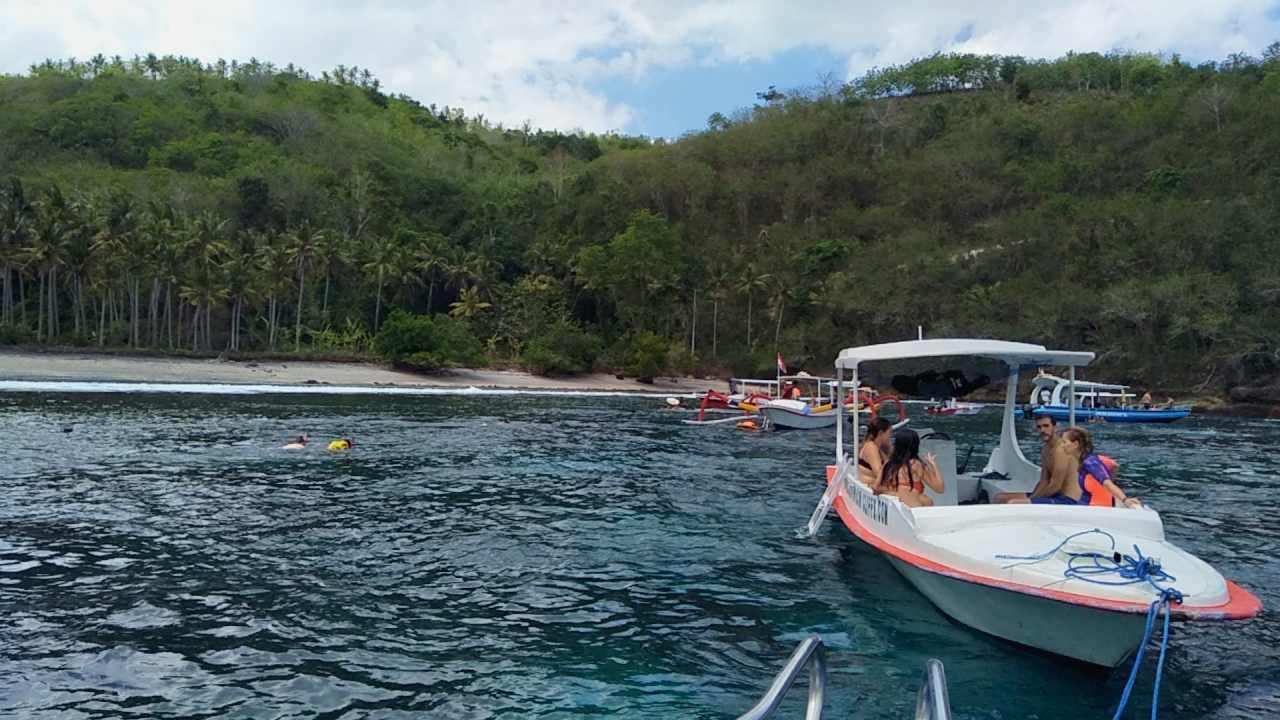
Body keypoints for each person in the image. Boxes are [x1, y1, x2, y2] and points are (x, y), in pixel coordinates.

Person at [995, 415, 1064, 503]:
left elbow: (1056, 486)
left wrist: (1031, 500)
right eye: (1039, 427)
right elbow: (1043, 481)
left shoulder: (1061, 450)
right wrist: (1033, 496)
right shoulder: (1045, 450)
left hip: (1062, 497)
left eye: (1046, 426)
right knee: (999, 498)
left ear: (1055, 427)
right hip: (1049, 493)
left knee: (1013, 502)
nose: (1042, 430)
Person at [875, 429, 944, 508]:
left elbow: (876, 487)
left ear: (897, 445)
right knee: (927, 501)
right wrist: (934, 464)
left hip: (894, 508)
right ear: (915, 446)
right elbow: (940, 488)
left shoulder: (888, 464)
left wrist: (891, 493)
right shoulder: (916, 465)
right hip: (914, 508)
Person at [857, 417, 894, 487]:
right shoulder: (871, 447)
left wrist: (890, 449)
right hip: (868, 487)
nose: (890, 436)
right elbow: (880, 473)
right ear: (881, 433)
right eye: (889, 433)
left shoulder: (877, 447)